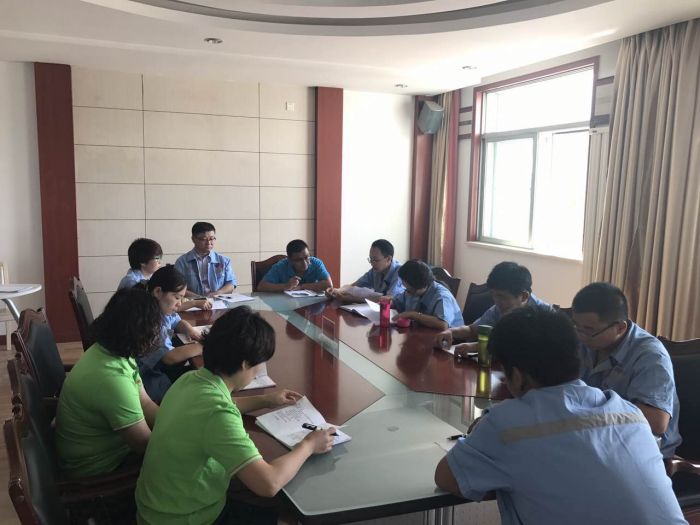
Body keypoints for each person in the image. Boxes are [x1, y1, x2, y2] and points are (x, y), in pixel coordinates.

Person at [434, 307, 686, 525]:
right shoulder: (628, 411)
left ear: (517, 376)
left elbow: (447, 478)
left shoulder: (506, 424)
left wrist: (483, 433)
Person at [135, 306, 335, 525]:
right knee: (287, 516)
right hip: (187, 518)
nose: (259, 370)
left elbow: (218, 407)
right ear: (244, 364)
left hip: (158, 507)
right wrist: (309, 445)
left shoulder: (190, 379)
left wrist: (267, 400)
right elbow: (268, 483)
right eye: (259, 363)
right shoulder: (218, 414)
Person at [55, 287, 161, 478]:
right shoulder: (112, 379)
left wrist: (172, 422)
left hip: (108, 449)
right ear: (140, 332)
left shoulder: (113, 352)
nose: (156, 333)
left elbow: (145, 403)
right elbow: (144, 444)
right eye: (154, 328)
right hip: (98, 469)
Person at [572, 282, 681, 458]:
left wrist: (591, 401)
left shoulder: (650, 356)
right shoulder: (584, 342)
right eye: (577, 326)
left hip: (639, 448)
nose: (580, 335)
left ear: (620, 328)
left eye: (589, 330)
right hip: (593, 435)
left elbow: (657, 422)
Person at [434, 261, 549, 357]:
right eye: (493, 295)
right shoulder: (498, 309)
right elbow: (473, 330)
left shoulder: (545, 316)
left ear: (523, 296)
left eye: (501, 296)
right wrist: (451, 332)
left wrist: (477, 347)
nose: (496, 301)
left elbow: (522, 349)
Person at [138, 265, 205, 404]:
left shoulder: (161, 308)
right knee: (201, 384)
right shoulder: (149, 320)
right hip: (148, 381)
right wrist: (203, 346)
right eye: (177, 297)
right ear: (158, 292)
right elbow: (169, 357)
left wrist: (190, 330)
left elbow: (177, 322)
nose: (180, 304)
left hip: (159, 370)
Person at [392, 260, 463, 329]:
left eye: (409, 289)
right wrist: (388, 302)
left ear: (419, 285)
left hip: (449, 336)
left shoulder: (442, 296)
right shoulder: (413, 290)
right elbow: (397, 303)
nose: (406, 291)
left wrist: (413, 315)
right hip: (423, 332)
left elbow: (443, 324)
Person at [327, 239, 404, 302]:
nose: (372, 263)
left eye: (376, 260)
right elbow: (353, 286)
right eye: (371, 259)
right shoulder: (375, 271)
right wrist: (337, 290)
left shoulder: (400, 272)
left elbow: (387, 299)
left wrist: (348, 298)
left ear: (388, 259)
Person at [175, 222, 236, 298]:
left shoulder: (224, 261)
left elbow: (231, 283)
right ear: (193, 239)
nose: (209, 243)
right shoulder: (182, 262)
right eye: (204, 239)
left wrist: (218, 293)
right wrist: (199, 298)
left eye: (212, 239)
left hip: (218, 300)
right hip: (192, 302)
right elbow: (177, 287)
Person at [257, 239, 333, 293]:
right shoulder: (280, 266)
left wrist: (302, 286)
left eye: (307, 257)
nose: (304, 263)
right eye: (298, 260)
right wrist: (286, 286)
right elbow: (261, 287)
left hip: (311, 305)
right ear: (289, 260)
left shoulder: (316, 263)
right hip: (286, 304)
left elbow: (329, 285)